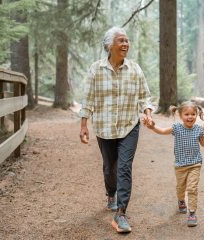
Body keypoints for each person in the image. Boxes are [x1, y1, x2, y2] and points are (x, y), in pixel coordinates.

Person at [79, 26, 154, 233]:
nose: (125, 44)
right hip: (104, 127)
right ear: (109, 45)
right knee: (109, 167)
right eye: (121, 40)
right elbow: (88, 98)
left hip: (129, 125)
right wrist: (84, 124)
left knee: (124, 167)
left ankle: (121, 213)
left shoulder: (135, 69)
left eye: (127, 41)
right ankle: (110, 192)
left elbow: (144, 96)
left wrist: (147, 112)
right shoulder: (96, 69)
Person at [143, 101, 204, 227]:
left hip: (195, 164)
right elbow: (162, 131)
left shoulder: (198, 129)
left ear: (196, 115)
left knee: (192, 188)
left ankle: (192, 213)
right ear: (181, 115)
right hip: (180, 166)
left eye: (193, 114)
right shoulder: (177, 128)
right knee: (181, 188)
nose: (190, 117)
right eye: (186, 114)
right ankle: (181, 200)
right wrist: (152, 127)